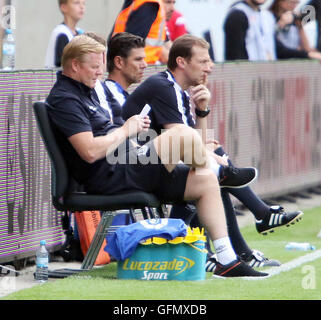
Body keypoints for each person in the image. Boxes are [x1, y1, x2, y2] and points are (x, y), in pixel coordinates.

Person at [46, 34, 268, 278]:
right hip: (112, 175)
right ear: (75, 66)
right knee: (181, 134)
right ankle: (221, 171)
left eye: (101, 66)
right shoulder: (65, 98)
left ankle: (227, 260)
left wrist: (133, 134)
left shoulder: (84, 90)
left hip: (128, 163)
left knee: (204, 180)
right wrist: (125, 130)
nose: (100, 73)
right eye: (95, 67)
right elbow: (89, 152)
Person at [122, 34, 304, 269]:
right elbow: (186, 140)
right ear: (182, 62)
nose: (210, 67)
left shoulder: (176, 89)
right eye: (204, 61)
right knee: (212, 170)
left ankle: (235, 244)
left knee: (210, 167)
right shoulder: (163, 85)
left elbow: (194, 141)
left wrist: (202, 111)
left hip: (152, 163)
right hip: (131, 168)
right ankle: (252, 217)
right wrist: (212, 156)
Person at [223, 0, 321, 61]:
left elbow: (278, 49)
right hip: (246, 82)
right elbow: (234, 59)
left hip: (266, 79)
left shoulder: (266, 17)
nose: (294, 5)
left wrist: (309, 54)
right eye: (291, 2)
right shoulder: (237, 15)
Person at [110, 0, 171, 65]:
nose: (172, 8)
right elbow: (132, 44)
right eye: (168, 2)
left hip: (140, 65)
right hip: (140, 65)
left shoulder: (147, 4)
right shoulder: (146, 4)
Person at [45, 0, 86, 68]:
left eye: (84, 3)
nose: (82, 7)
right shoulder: (61, 33)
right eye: (76, 3)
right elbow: (65, 67)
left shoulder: (81, 33)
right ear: (63, 7)